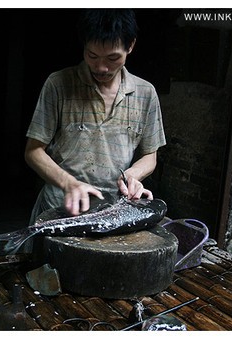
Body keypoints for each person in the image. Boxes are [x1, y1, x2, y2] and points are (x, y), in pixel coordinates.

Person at [25, 9, 166, 224]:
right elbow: (33, 151)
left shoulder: (145, 93)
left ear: (131, 46)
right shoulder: (58, 84)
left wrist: (133, 175)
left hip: (113, 212)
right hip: (59, 209)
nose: (101, 67)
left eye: (112, 58)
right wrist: (68, 183)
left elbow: (150, 155)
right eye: (92, 56)